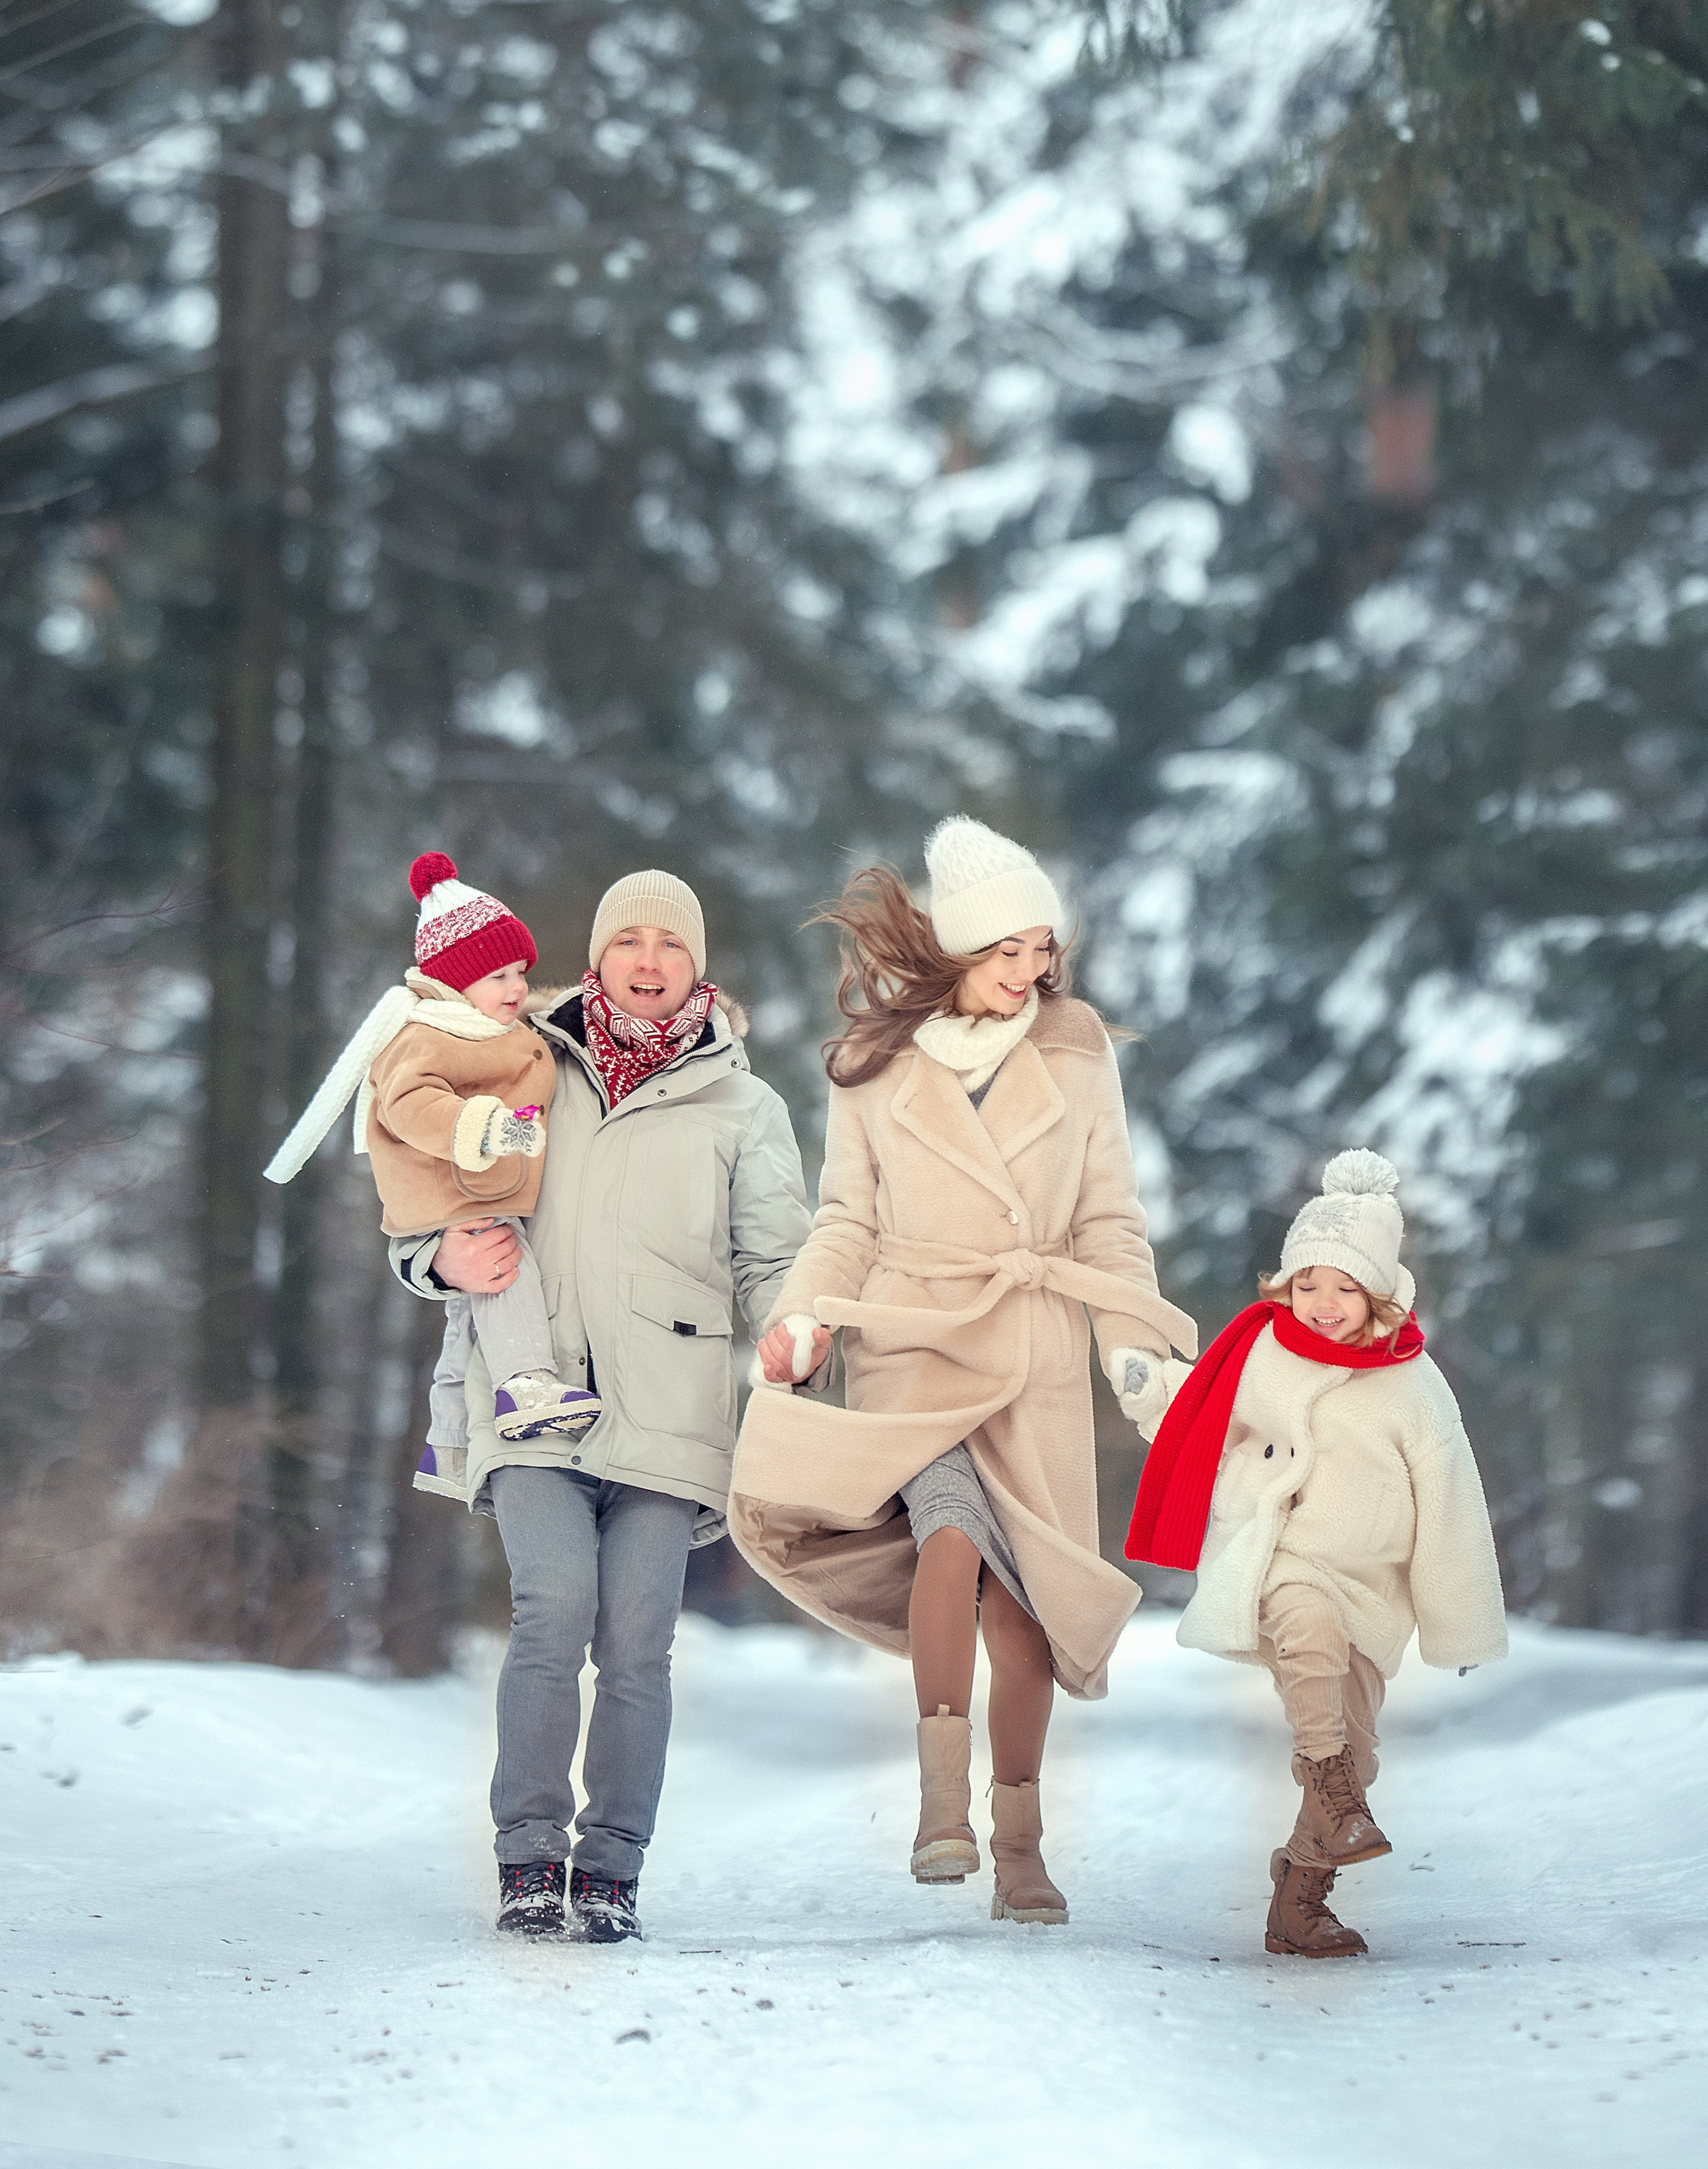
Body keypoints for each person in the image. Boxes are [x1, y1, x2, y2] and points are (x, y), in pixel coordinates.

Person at [729, 816, 1196, 1927]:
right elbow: (846, 1216)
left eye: (1042, 947)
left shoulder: (1076, 1044)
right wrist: (803, 1320)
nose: (1029, 969)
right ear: (955, 951)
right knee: (948, 1535)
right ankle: (944, 1806)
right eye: (1006, 951)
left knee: (1026, 1607)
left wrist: (1134, 1349)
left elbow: (1108, 1217)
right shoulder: (871, 1063)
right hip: (912, 1337)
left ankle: (1022, 1847)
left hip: (1031, 1349)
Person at [389, 868, 810, 1944]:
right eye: (629, 940)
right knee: (553, 1609)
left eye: (670, 944)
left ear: (697, 965)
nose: (650, 960)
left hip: (672, 1408)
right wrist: (436, 1256)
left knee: (637, 1642)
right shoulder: (522, 1059)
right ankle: (529, 1853)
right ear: (598, 956)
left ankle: (611, 1864)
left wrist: (795, 1331)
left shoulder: (745, 1104)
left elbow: (774, 1255)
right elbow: (423, 1179)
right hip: (532, 1394)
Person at [1125, 1149, 1507, 1960]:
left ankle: (1300, 1893)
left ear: (1378, 1291)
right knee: (1307, 1628)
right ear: (1283, 1285)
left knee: (1364, 1752)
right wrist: (1154, 1390)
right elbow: (1202, 1423)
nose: (1322, 1304)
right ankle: (1326, 1778)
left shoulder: (1413, 1382)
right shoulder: (1261, 1351)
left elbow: (1449, 1505)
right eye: (1306, 1284)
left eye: (1342, 1286)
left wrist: (1458, 1619)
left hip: (1370, 1584)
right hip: (1274, 1554)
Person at [263, 853, 598, 1501]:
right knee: (507, 1272)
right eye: (497, 974)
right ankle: (527, 1383)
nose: (514, 988)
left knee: (468, 1319)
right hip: (458, 1193)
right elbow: (408, 1103)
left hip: (475, 1188)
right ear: (455, 981)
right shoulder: (430, 1033)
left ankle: (447, 1444)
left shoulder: (482, 1024)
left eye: (520, 973)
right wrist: (487, 1127)